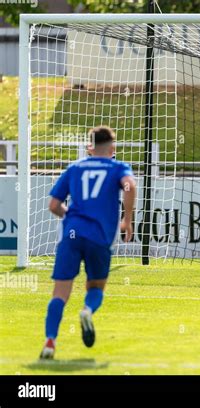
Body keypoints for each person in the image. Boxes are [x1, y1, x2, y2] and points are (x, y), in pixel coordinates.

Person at [40, 126, 136, 359]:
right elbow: (129, 186)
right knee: (95, 287)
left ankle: (50, 341)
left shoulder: (74, 168)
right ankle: (87, 310)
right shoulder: (117, 167)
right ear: (112, 148)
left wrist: (72, 217)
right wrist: (127, 220)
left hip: (71, 236)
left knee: (60, 294)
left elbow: (54, 205)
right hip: (99, 237)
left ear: (89, 147)